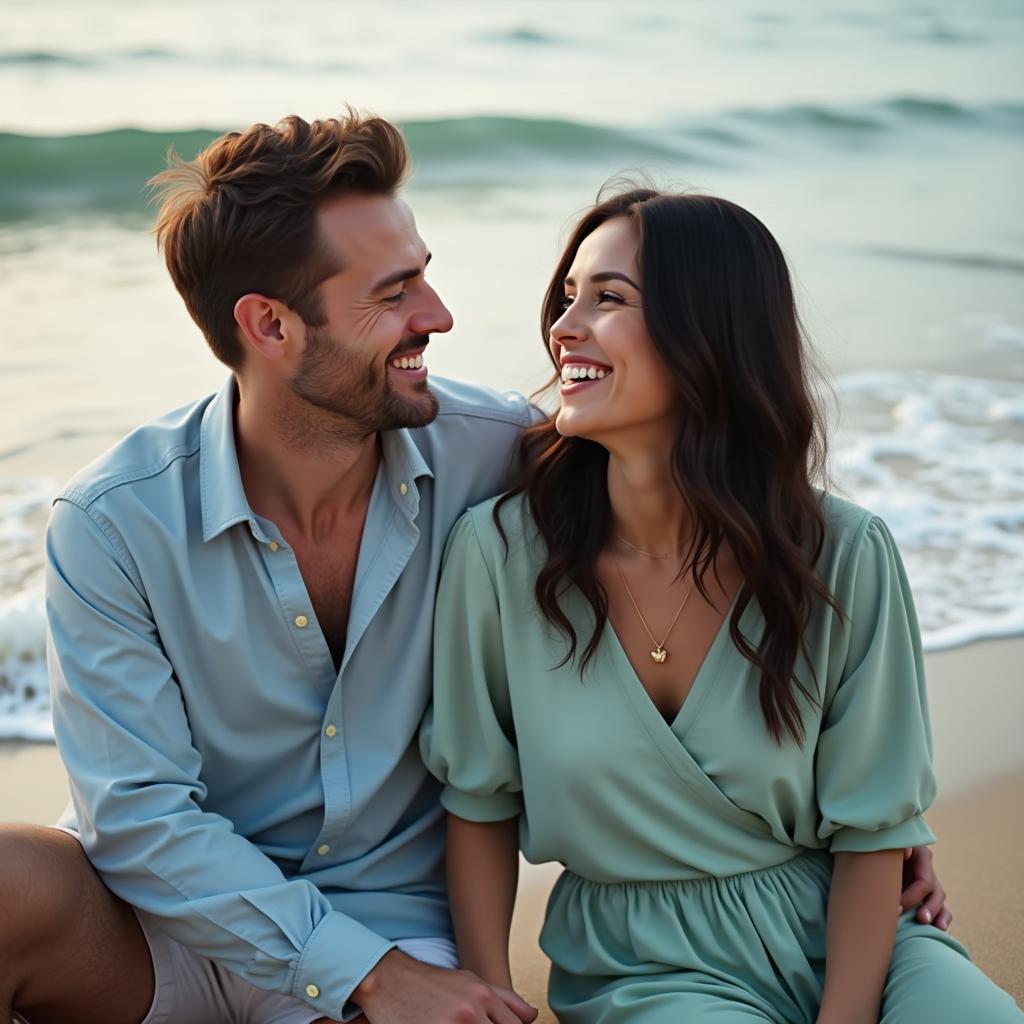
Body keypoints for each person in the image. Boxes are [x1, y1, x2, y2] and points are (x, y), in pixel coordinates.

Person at [0, 114, 945, 1024]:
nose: (439, 316)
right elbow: (137, 819)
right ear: (270, 325)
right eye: (393, 293)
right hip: (172, 930)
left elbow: (706, 493)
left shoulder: (504, 456)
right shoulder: (112, 523)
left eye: (427, 276)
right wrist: (360, 974)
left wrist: (884, 818)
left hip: (403, 936)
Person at [421, 187, 1023, 1022]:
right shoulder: (498, 556)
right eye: (567, 297)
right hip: (645, 965)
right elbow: (478, 803)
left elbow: (873, 829)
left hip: (855, 942)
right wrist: (493, 1001)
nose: (564, 327)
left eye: (608, 299)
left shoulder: (842, 554)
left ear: (708, 334)